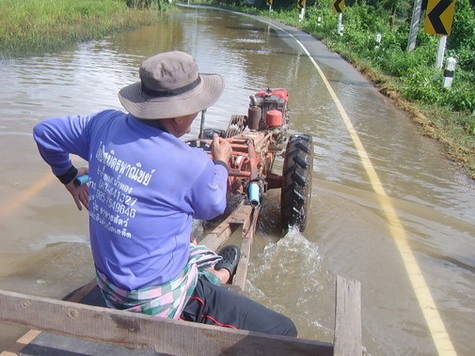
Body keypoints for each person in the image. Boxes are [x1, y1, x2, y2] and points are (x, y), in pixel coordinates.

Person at [33, 50, 297, 336]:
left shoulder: (103, 125)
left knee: (189, 242)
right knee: (284, 330)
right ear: (179, 115)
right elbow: (214, 206)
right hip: (152, 304)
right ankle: (219, 275)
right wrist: (221, 162)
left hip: (109, 287)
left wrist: (70, 178)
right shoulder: (191, 163)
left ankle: (216, 271)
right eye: (196, 107)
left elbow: (44, 133)